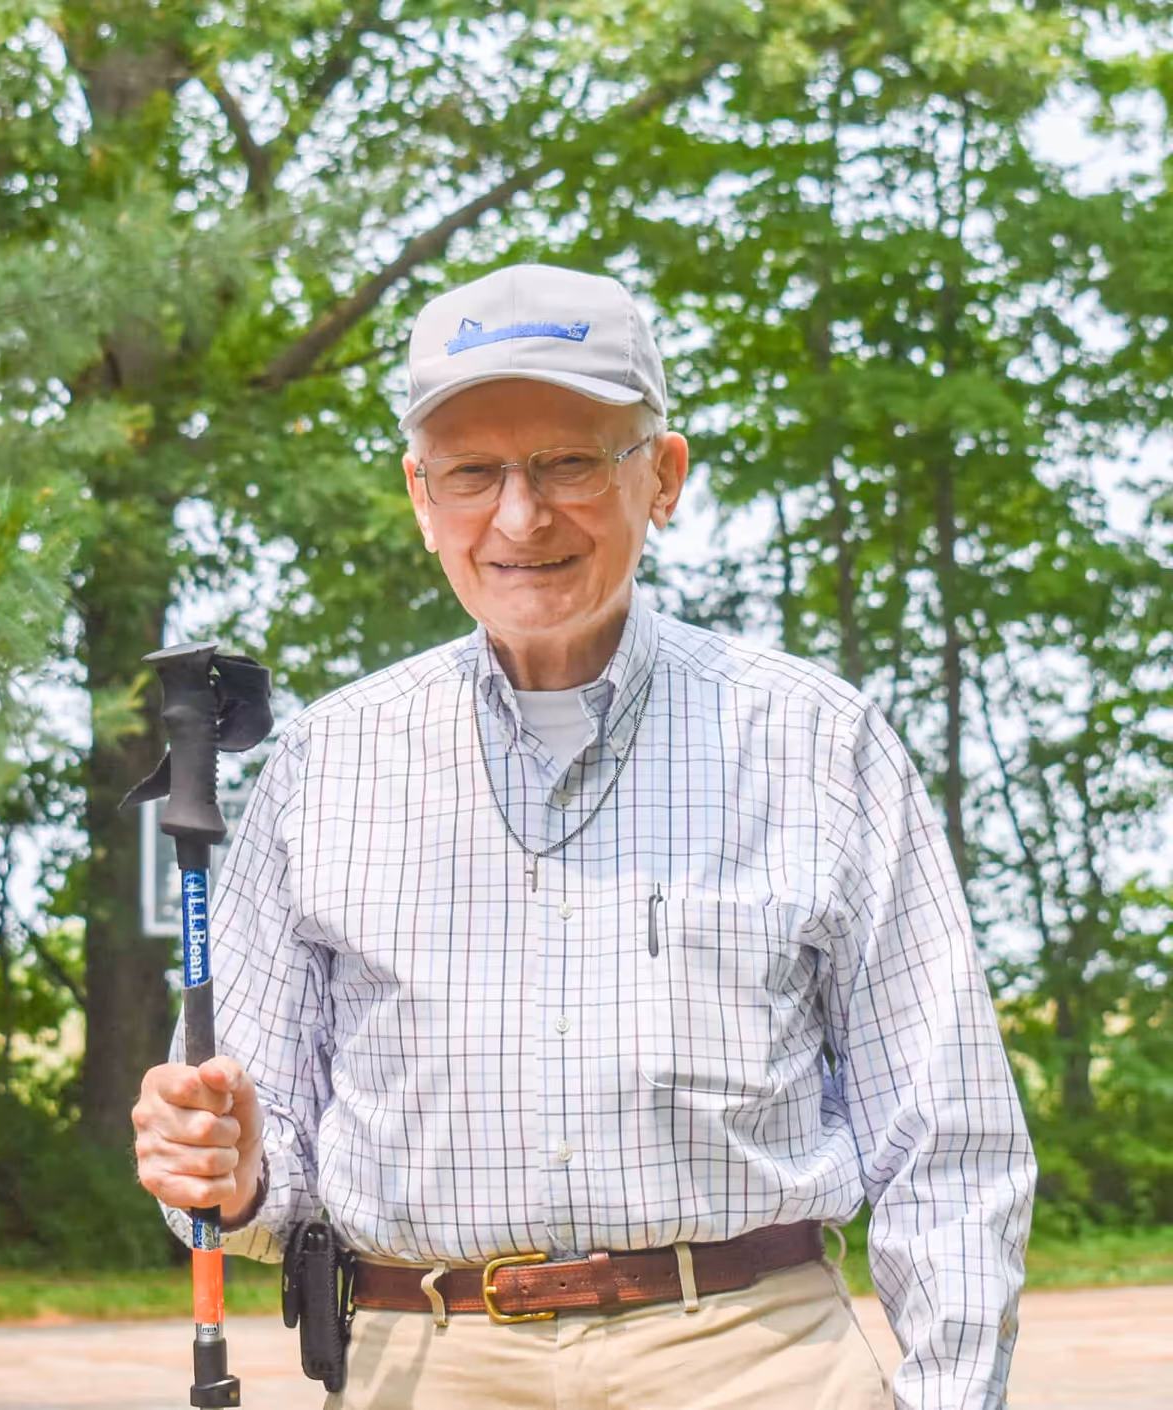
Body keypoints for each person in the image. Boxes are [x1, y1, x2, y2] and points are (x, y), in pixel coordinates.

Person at [131, 263, 1035, 1409]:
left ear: (662, 475)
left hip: (752, 1361)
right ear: (421, 496)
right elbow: (239, 1181)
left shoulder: (818, 741)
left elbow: (946, 1136)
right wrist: (233, 1172)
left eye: (568, 461)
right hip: (424, 1358)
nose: (521, 516)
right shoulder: (325, 765)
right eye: (473, 472)